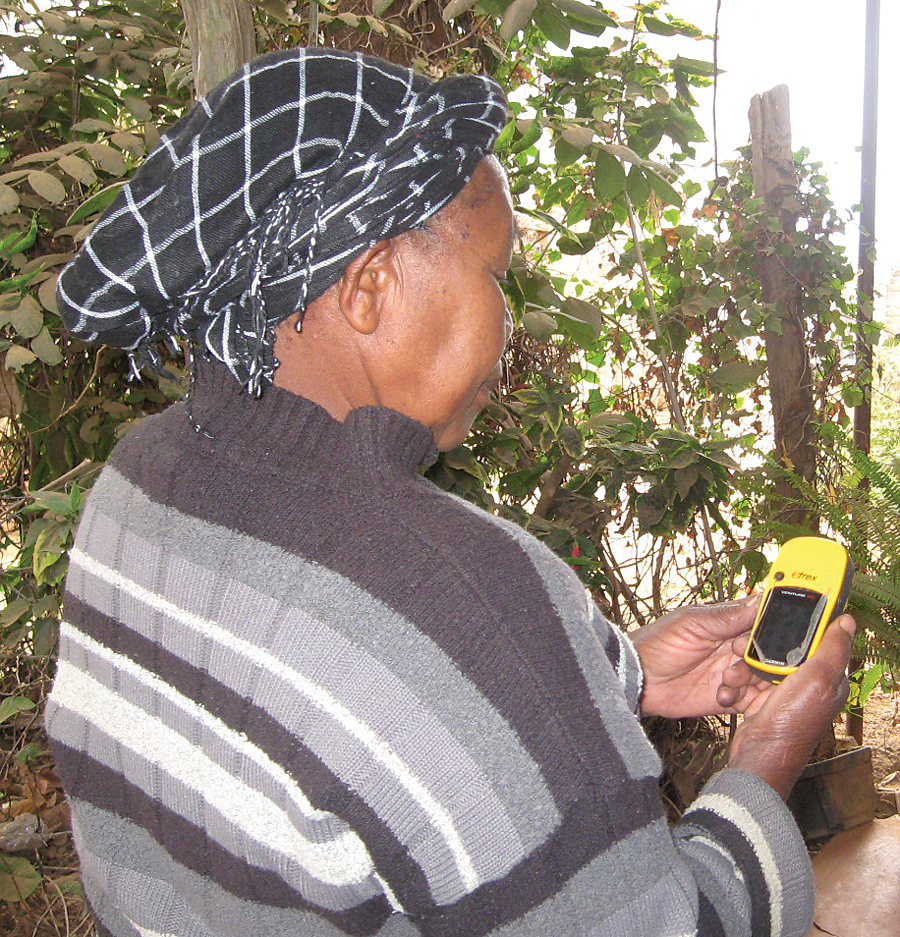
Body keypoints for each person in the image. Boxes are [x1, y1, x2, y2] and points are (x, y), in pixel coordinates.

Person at [46, 47, 854, 937]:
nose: (508, 321)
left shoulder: (135, 483)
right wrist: (767, 764)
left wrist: (602, 672)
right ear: (369, 285)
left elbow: (350, 718)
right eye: (495, 271)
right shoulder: (456, 596)